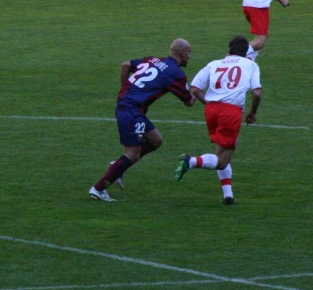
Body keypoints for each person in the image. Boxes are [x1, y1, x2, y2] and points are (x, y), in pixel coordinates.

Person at [88, 39, 196, 202]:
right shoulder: (176, 73)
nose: (190, 56)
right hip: (131, 110)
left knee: (155, 140)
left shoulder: (152, 60)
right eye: (189, 52)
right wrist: (198, 88)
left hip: (130, 107)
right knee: (132, 153)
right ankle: (98, 188)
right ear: (182, 53)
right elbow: (189, 102)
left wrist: (125, 89)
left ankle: (118, 166)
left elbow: (125, 65)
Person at [175, 36, 261, 206]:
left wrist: (209, 104)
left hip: (212, 110)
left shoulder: (214, 63)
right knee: (222, 161)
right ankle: (191, 161)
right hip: (230, 112)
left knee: (220, 152)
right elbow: (257, 93)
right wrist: (252, 112)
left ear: (229, 49)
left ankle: (228, 196)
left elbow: (195, 89)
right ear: (246, 52)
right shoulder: (250, 64)